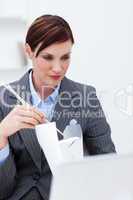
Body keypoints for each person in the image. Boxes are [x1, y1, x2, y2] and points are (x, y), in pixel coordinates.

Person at [0, 14, 116, 200]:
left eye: (65, 57)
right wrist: (1, 136)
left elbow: (109, 167)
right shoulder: (3, 98)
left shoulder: (86, 97)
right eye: (48, 57)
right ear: (29, 51)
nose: (58, 68)